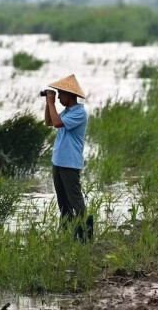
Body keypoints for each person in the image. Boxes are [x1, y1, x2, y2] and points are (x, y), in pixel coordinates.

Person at [43, 74, 92, 241]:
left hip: (70, 163)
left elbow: (57, 123)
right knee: (63, 202)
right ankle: (68, 234)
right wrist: (48, 104)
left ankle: (85, 236)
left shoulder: (79, 113)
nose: (59, 96)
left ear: (70, 95)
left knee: (75, 201)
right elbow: (49, 122)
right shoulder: (67, 111)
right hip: (59, 161)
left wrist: (51, 103)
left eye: (61, 94)